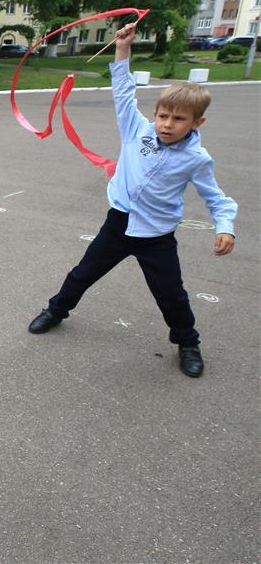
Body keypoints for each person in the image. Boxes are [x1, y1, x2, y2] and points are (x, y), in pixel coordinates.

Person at [27, 23, 237, 379]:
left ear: (197, 122)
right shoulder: (136, 129)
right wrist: (122, 49)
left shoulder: (197, 158)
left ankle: (187, 342)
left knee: (171, 294)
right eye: (163, 116)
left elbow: (216, 197)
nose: (167, 124)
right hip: (118, 224)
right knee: (82, 274)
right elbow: (123, 92)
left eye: (178, 119)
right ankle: (56, 311)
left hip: (156, 236)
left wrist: (225, 227)